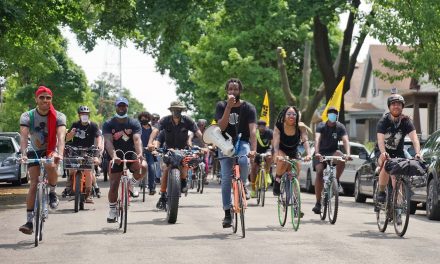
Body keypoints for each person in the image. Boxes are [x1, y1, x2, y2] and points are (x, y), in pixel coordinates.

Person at [18, 86, 66, 234]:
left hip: (51, 149)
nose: (45, 100)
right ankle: (29, 221)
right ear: (36, 99)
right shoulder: (27, 116)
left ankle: (52, 191)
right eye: (42, 97)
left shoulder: (59, 116)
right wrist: (24, 154)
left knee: (51, 164)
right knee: (33, 184)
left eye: (48, 98)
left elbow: (61, 137)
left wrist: (60, 154)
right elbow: (24, 137)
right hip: (34, 150)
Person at [215, 78, 256, 228]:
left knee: (244, 161)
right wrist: (228, 107)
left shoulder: (249, 107)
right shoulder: (221, 105)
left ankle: (243, 184)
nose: (233, 92)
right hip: (224, 143)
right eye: (230, 89)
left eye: (235, 89)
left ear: (240, 91)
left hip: (242, 142)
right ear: (227, 91)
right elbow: (222, 125)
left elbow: (252, 131)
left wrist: (254, 149)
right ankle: (227, 213)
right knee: (226, 179)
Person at [152, 101, 204, 210]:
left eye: (179, 110)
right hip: (168, 150)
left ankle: (184, 181)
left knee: (185, 163)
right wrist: (151, 144)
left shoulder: (188, 121)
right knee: (166, 169)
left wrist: (206, 145)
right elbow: (156, 131)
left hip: (183, 150)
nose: (177, 111)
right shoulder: (165, 121)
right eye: (174, 109)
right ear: (171, 110)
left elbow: (198, 133)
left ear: (182, 111)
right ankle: (162, 195)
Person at [103, 97, 147, 223]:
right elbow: (108, 141)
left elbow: (137, 139)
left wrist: (139, 154)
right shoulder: (108, 123)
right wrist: (114, 156)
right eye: (119, 106)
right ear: (116, 107)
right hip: (115, 155)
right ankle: (112, 210)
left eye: (124, 106)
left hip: (131, 153)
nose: (122, 108)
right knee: (114, 184)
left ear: (127, 107)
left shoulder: (133, 123)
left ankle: (131, 184)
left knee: (143, 166)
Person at [375, 94, 421, 203]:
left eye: (399, 104)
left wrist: (418, 153)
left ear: (402, 106)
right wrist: (383, 152)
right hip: (382, 151)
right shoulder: (383, 121)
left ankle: (398, 207)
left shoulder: (406, 121)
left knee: (397, 176)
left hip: (398, 152)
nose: (396, 106)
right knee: (386, 163)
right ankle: (381, 191)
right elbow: (380, 140)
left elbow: (415, 139)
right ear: (389, 107)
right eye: (393, 104)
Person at [312, 106, 351, 214]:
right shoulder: (321, 126)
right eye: (330, 113)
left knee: (341, 156)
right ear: (327, 115)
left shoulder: (340, 127)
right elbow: (317, 139)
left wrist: (348, 153)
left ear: (337, 116)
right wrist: (317, 152)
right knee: (319, 173)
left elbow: (345, 140)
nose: (333, 115)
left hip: (333, 152)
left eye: (335, 113)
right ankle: (318, 203)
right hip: (320, 153)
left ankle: (337, 180)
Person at [64, 105, 103, 203]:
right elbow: (67, 139)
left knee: (88, 172)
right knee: (72, 169)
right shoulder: (75, 124)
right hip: (75, 150)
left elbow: (98, 137)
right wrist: (71, 134)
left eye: (86, 114)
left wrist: (97, 147)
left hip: (89, 150)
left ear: (89, 115)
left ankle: (88, 194)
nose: (84, 116)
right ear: (79, 115)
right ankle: (69, 188)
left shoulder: (93, 125)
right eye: (82, 114)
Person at [250, 119, 273, 198]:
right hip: (257, 150)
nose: (262, 127)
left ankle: (266, 174)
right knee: (253, 168)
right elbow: (252, 143)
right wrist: (253, 153)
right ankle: (253, 190)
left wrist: (271, 152)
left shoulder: (269, 132)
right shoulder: (255, 133)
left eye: (264, 126)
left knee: (269, 157)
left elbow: (273, 144)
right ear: (257, 126)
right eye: (260, 126)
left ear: (266, 126)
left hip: (267, 150)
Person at [138, 111, 157, 195]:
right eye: (142, 118)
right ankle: (132, 185)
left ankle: (152, 187)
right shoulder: (138, 128)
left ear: (148, 119)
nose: (143, 119)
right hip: (139, 151)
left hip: (149, 151)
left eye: (145, 117)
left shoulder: (152, 129)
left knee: (152, 168)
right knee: (137, 167)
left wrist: (154, 147)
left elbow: (156, 140)